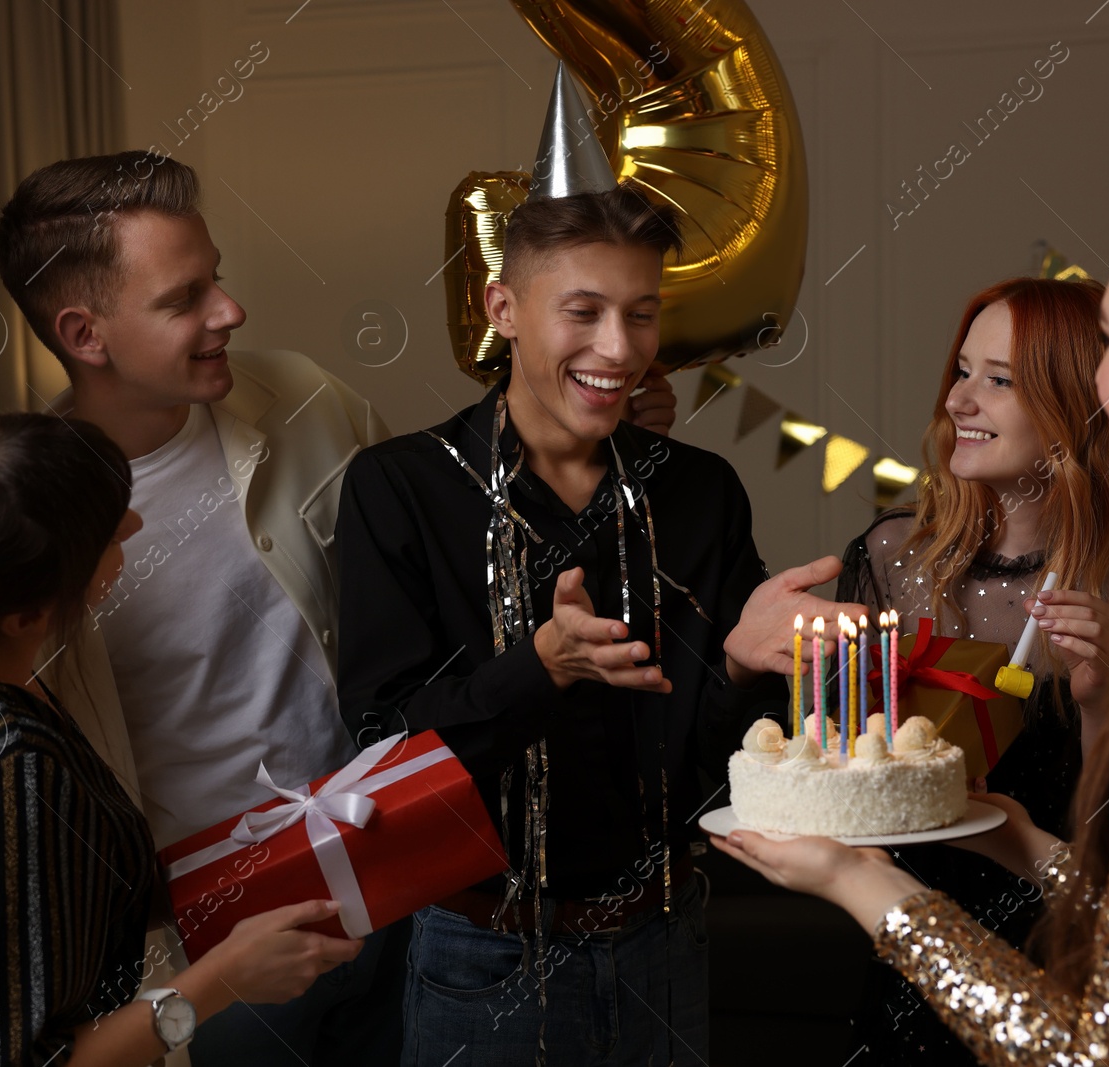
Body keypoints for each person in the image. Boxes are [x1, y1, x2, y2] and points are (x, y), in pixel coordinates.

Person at [711, 178, 1109, 1064]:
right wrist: (750, 660)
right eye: (962, 371)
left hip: (1037, 966)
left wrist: (865, 885)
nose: (960, 400)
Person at [336, 182, 842, 1065]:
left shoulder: (700, 493)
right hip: (482, 958)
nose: (619, 348)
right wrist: (538, 668)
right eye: (584, 311)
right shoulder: (400, 489)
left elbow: (720, 773)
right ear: (505, 309)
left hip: (669, 943)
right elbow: (382, 747)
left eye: (641, 314)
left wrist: (744, 670)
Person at [0, 150, 404, 1066]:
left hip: (397, 886)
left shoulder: (306, 396)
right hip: (218, 956)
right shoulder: (30, 527)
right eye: (185, 300)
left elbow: (443, 540)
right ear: (85, 334)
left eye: (214, 278)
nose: (229, 311)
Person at [0, 396, 361, 1066]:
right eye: (109, 534)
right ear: (28, 613)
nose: (134, 524)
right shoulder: (3, 769)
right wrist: (220, 981)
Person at [831, 277, 1109, 1058]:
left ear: (1072, 407)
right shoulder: (897, 556)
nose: (960, 399)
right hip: (906, 946)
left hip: (1064, 966)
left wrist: (1101, 701)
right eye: (963, 370)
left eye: (998, 380)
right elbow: (840, 770)